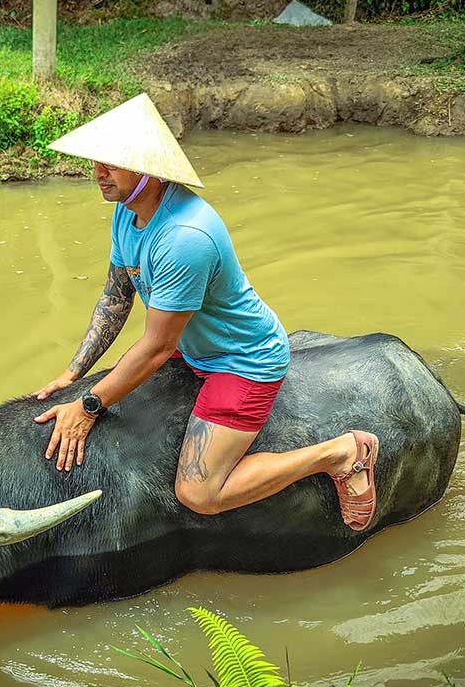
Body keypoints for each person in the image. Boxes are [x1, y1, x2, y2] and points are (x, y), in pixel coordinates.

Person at [31, 94, 379, 530]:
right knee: (112, 384)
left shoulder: (184, 236)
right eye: (96, 163)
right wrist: (74, 374)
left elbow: (157, 347)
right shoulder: (127, 212)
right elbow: (115, 298)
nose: (98, 174)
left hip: (241, 358)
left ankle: (341, 452)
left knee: (200, 493)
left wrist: (87, 406)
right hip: (192, 346)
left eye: (112, 164)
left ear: (150, 172)